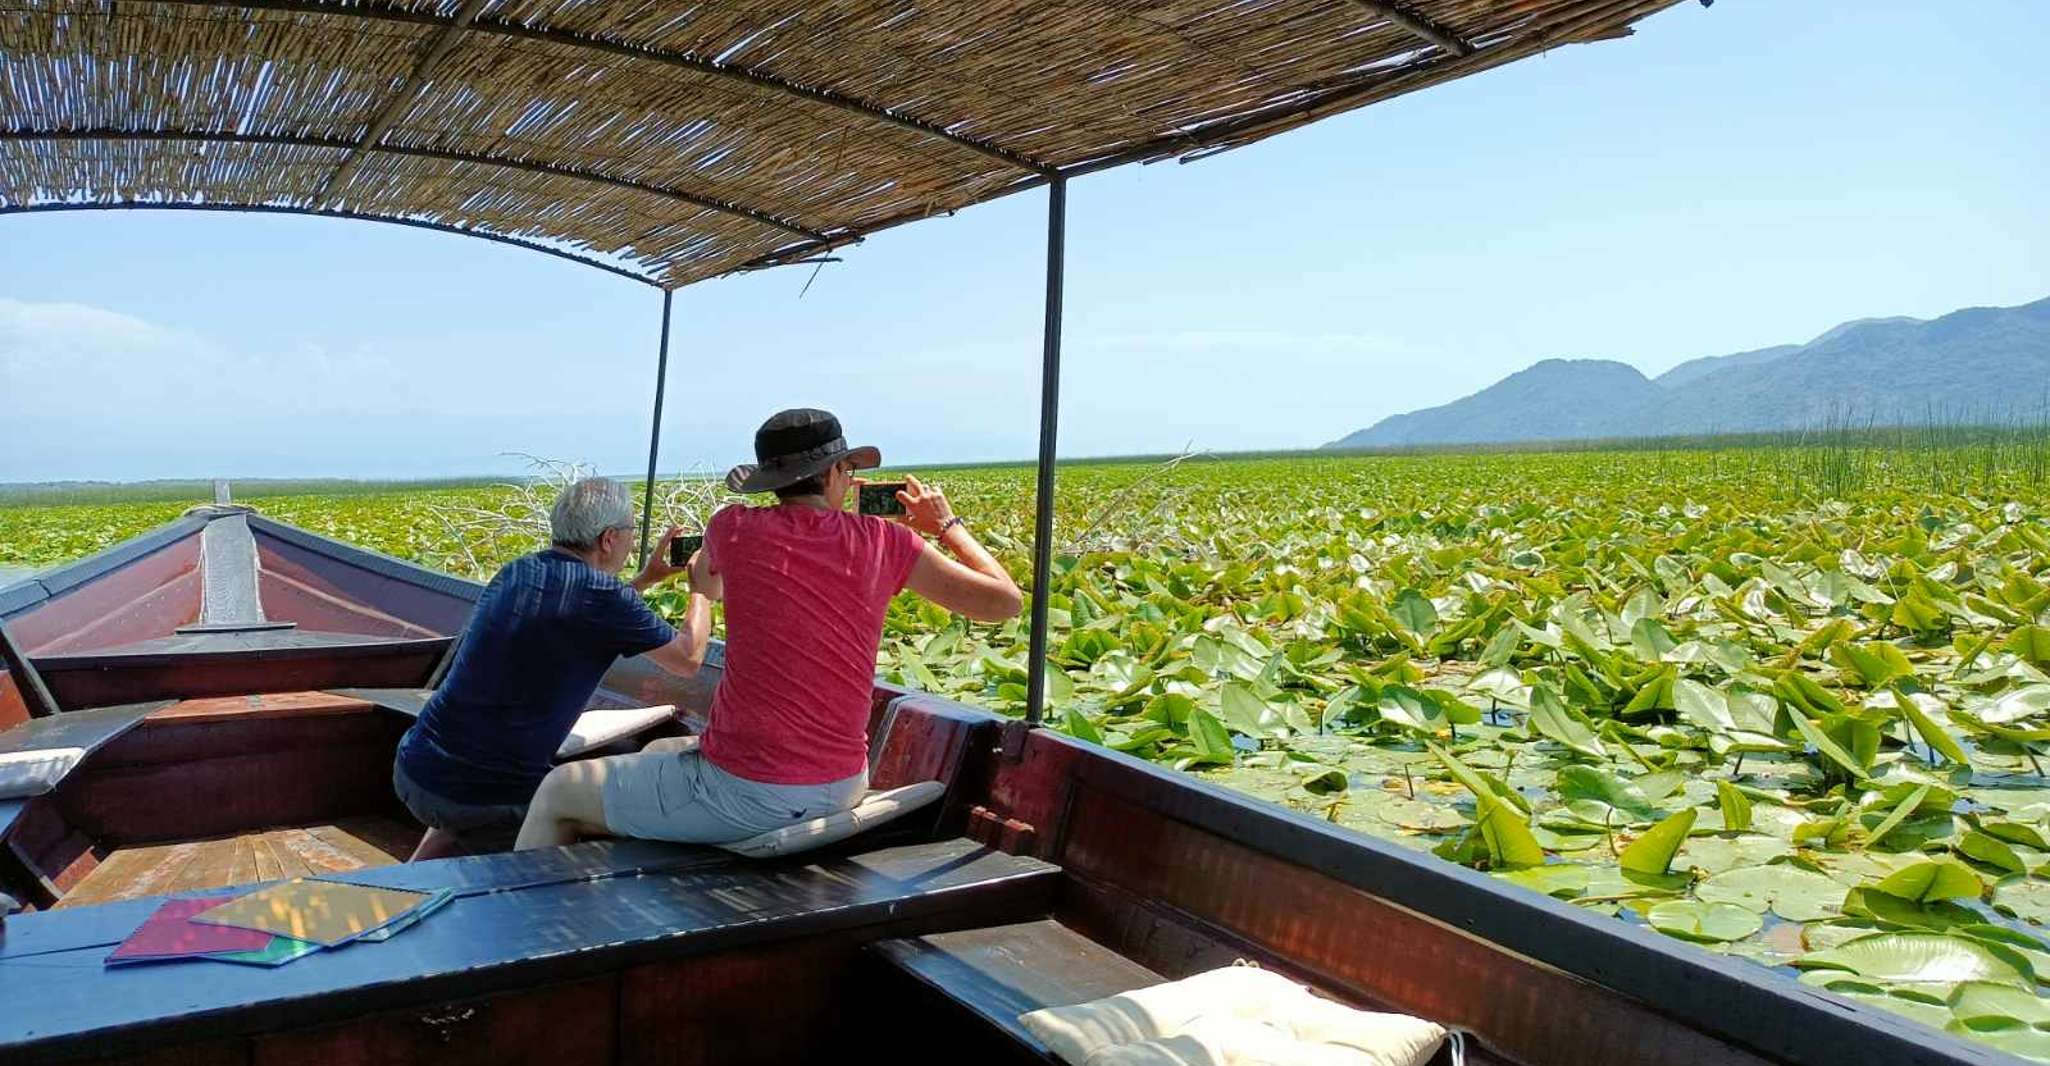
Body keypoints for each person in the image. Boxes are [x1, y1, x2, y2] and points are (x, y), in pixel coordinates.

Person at [514, 408, 1022, 850]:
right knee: (663, 749)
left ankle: (521, 945)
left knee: (556, 791)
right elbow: (1005, 602)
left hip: (749, 793)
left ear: (771, 481)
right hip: (842, 782)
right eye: (847, 471)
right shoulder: (887, 541)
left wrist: (662, 579)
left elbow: (704, 575)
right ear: (837, 472)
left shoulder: (731, 528)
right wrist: (945, 525)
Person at [394, 476, 712, 860]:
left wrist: (646, 579)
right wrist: (702, 592)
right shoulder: (602, 597)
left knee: (469, 787)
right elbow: (689, 659)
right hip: (485, 799)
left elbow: (589, 608)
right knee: (590, 832)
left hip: (416, 770)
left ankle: (411, 880)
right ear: (609, 539)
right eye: (630, 531)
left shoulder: (519, 570)